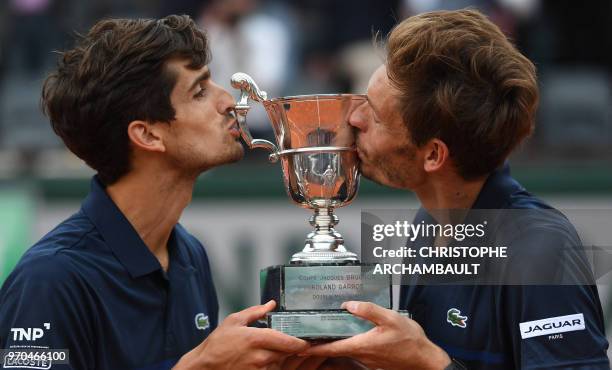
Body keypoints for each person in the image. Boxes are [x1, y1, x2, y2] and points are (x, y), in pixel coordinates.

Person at [304, 9, 610, 370]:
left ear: (433, 154)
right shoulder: (428, 225)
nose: (354, 119)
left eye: (375, 114)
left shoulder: (542, 252)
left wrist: (429, 362)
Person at [0, 15, 310, 370]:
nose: (229, 102)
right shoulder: (49, 279)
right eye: (200, 92)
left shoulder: (190, 255)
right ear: (147, 135)